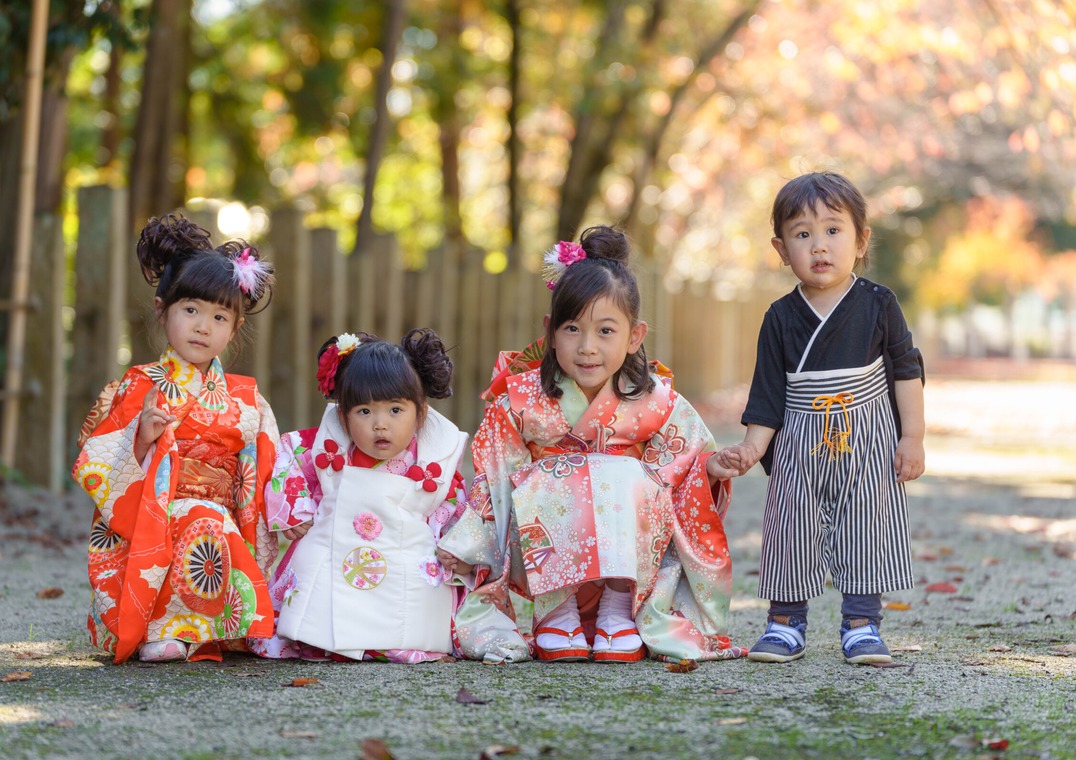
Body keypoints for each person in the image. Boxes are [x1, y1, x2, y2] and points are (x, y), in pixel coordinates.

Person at [436, 226, 746, 664]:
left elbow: (684, 463)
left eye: (605, 331)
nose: (587, 348)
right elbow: (495, 482)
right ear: (550, 330)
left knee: (625, 476)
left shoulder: (657, 399)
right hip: (543, 556)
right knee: (553, 477)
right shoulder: (519, 399)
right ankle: (556, 613)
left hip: (628, 552)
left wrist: (709, 468)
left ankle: (618, 610)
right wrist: (469, 546)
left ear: (634, 336)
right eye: (572, 328)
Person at [719, 171, 926, 666]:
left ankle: (862, 625)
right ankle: (785, 623)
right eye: (802, 233)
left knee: (865, 523)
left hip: (868, 432)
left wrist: (912, 436)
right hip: (798, 435)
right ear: (780, 247)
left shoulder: (879, 304)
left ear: (860, 240)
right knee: (791, 524)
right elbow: (768, 394)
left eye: (834, 230)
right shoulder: (779, 317)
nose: (819, 245)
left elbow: (906, 370)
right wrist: (752, 447)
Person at [73, 213, 280, 664]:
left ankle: (208, 627)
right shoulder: (136, 385)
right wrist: (142, 438)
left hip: (222, 523)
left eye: (219, 316)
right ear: (161, 308)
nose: (203, 327)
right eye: (191, 310)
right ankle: (165, 626)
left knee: (212, 521)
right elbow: (96, 461)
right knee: (201, 518)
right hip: (152, 516)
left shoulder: (248, 399)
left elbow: (266, 470)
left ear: (234, 327)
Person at [249, 329, 470, 663]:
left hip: (403, 559)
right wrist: (294, 510)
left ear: (420, 413)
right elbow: (287, 464)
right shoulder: (325, 450)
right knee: (311, 565)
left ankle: (395, 641)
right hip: (334, 551)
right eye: (364, 412)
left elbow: (454, 511)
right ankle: (319, 636)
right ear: (343, 415)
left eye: (395, 410)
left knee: (421, 581)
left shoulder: (434, 462)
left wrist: (455, 548)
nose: (380, 425)